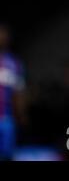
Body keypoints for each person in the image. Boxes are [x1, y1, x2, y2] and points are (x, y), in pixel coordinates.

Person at [0, 23, 26, 161]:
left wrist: (21, 114)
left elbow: (19, 92)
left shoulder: (14, 64)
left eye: (3, 34)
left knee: (7, 156)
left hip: (6, 119)